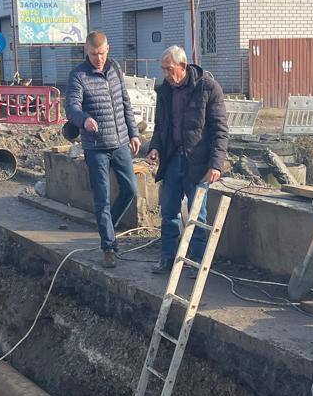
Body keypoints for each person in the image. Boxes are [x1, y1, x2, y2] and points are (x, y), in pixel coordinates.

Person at [146, 45, 228, 275]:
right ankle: (168, 258)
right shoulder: (165, 91)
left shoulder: (208, 88)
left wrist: (215, 164)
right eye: (163, 70)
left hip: (198, 162)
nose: (166, 75)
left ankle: (196, 261)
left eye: (169, 69)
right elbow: (161, 126)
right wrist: (155, 148)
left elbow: (220, 130)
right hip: (173, 159)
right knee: (169, 211)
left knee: (197, 215)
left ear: (183, 66)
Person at [65, 30, 140, 269]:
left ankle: (108, 228)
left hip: (120, 144)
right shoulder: (78, 75)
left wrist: (134, 133)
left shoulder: (115, 69)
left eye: (103, 53)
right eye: (94, 54)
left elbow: (125, 103)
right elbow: (72, 107)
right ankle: (108, 246)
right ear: (87, 51)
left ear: (108, 49)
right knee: (102, 198)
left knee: (130, 189)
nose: (99, 58)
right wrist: (84, 119)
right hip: (96, 147)